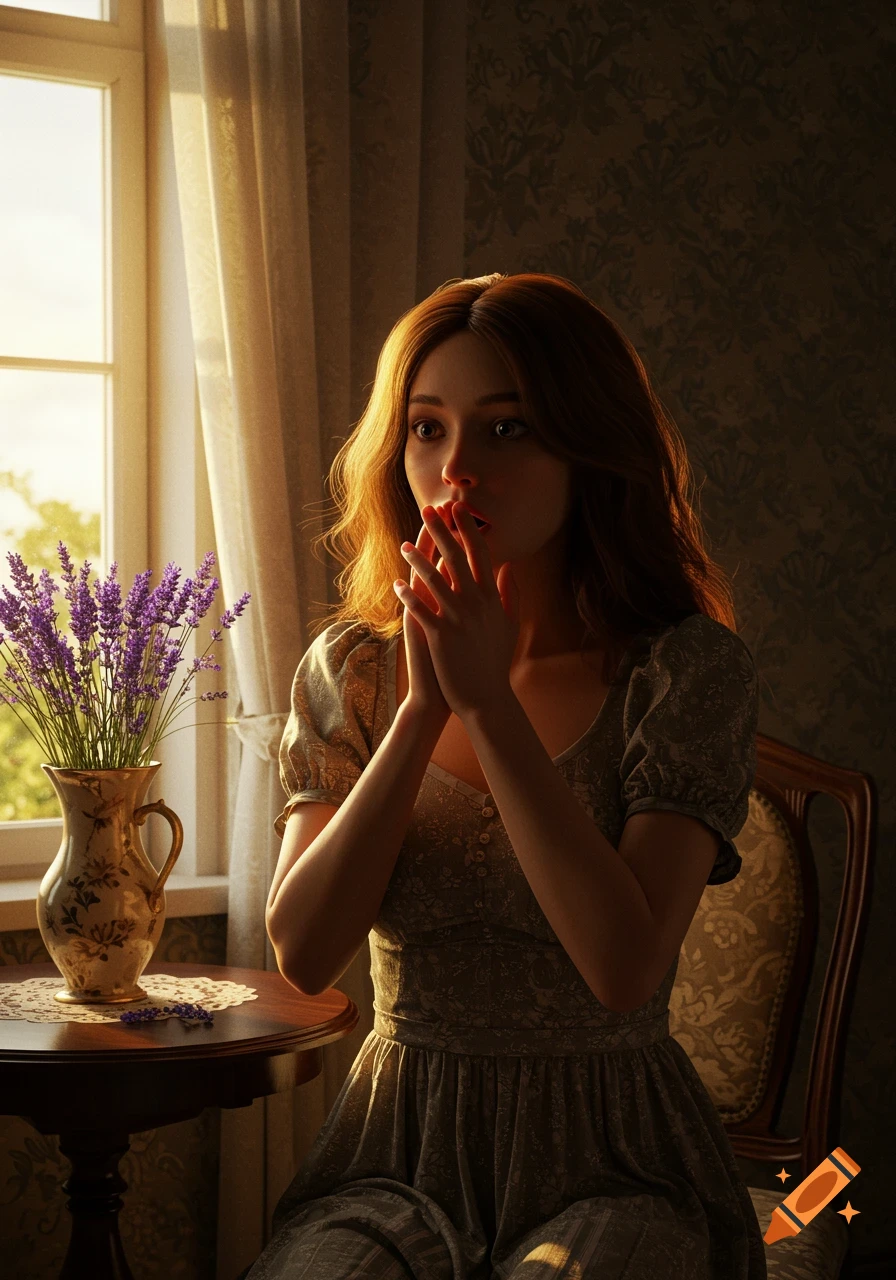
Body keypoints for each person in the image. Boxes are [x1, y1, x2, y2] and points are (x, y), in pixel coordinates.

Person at [255, 273, 767, 1278]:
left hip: (616, 1164)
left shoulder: (682, 672)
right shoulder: (354, 671)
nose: (456, 469)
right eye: (426, 429)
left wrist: (489, 706)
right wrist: (423, 709)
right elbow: (304, 953)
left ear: (589, 449)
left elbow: (623, 970)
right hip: (398, 1157)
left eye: (506, 429)